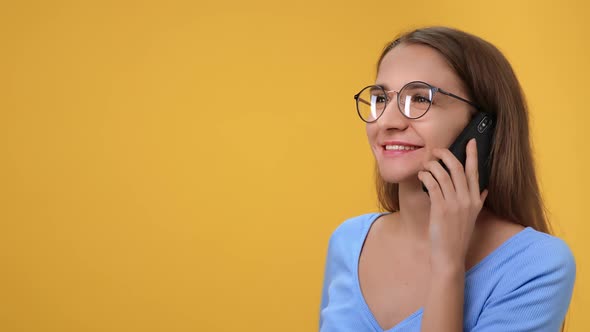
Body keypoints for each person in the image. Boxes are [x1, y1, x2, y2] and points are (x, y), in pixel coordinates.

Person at [319, 26, 576, 332]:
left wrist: (448, 266)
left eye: (419, 99)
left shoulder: (537, 265)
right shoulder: (349, 242)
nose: (386, 122)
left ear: (482, 125)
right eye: (380, 99)